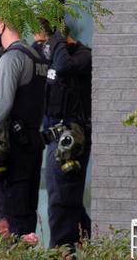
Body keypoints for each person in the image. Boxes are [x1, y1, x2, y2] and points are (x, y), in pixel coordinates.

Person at [0, 17, 48, 236]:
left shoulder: (11, 58)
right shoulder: (37, 57)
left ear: (3, 24)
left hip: (15, 146)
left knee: (11, 216)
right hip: (33, 141)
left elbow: (3, 104)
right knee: (27, 211)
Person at [39, 26, 92, 250]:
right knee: (63, 197)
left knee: (62, 199)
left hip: (72, 139)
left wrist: (57, 39)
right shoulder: (52, 53)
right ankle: (90, 243)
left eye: (43, 39)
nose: (42, 45)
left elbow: (63, 66)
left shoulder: (84, 55)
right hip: (54, 138)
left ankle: (60, 250)